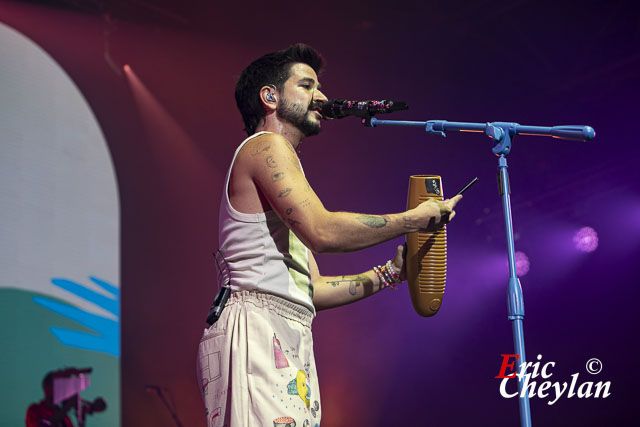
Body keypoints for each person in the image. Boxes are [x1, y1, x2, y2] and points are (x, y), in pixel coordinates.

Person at [196, 43, 462, 427]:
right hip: (255, 326)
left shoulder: (282, 160)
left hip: (283, 330)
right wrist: (412, 219)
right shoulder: (266, 147)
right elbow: (322, 231)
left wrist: (390, 273)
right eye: (307, 85)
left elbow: (311, 288)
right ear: (269, 97)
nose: (321, 96)